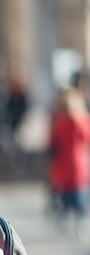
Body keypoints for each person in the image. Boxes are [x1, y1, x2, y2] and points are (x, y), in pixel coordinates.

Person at [47, 87, 90, 239]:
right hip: (79, 166)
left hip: (63, 167)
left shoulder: (59, 123)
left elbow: (51, 144)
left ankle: (65, 220)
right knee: (79, 198)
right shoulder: (82, 122)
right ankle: (80, 222)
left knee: (65, 196)